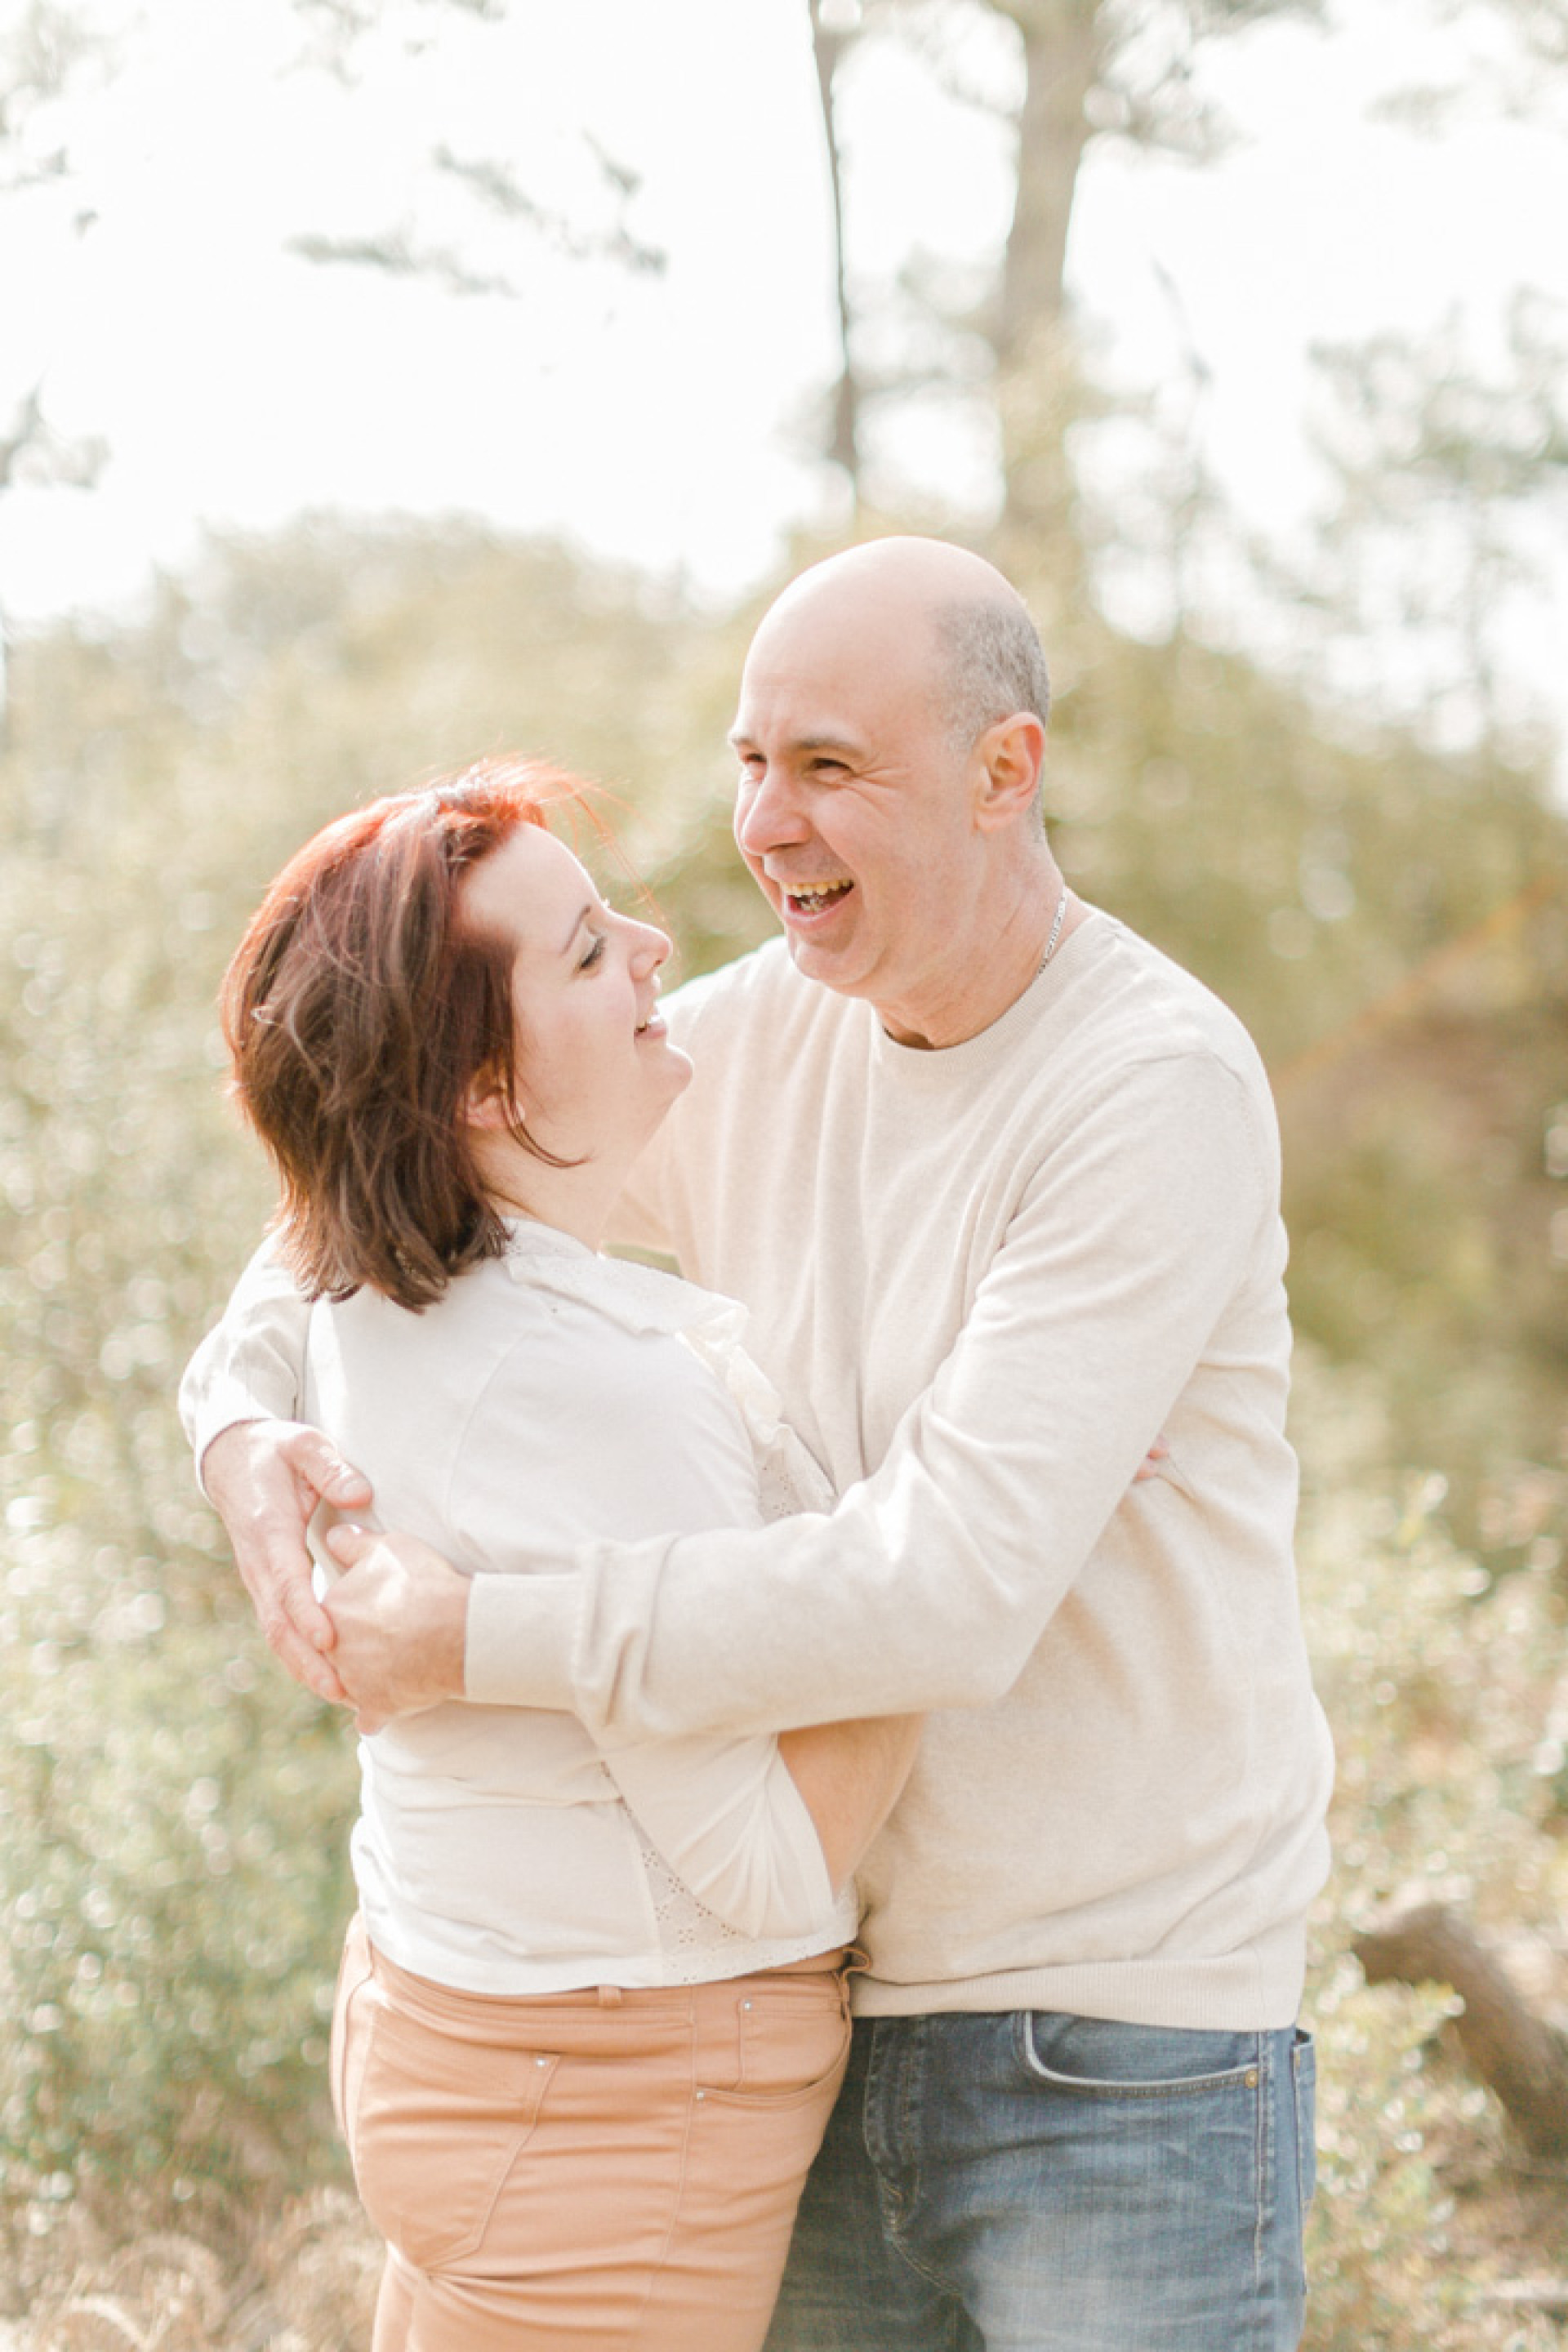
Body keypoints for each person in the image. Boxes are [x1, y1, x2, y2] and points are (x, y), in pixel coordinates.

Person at [185, 536, 1334, 2352]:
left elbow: (949, 1594)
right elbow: (382, 1162)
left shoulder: (1147, 1086)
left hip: (1115, 2044)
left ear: (1004, 771)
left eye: (829, 767)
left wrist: (475, 1635)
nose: (765, 825)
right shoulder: (751, 1040)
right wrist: (240, 1416)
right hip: (804, 2014)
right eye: (749, 761)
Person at [200, 765, 923, 2352]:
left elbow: (291, 1247)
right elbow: (763, 1870)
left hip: (475, 2050)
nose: (658, 946)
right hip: (611, 2120)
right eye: (591, 950)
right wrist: (947, 1558)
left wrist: (226, 1416)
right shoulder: (589, 1391)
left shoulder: (375, 1292)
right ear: (479, 1088)